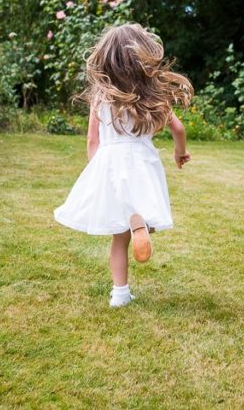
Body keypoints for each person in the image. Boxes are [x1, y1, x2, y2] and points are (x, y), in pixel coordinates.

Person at [54, 23, 193, 307]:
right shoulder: (153, 94)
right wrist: (180, 153)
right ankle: (140, 226)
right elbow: (178, 130)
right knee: (141, 211)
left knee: (118, 238)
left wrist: (98, 170)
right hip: (142, 162)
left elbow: (93, 141)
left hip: (112, 164)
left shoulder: (101, 96)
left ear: (106, 58)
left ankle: (119, 294)